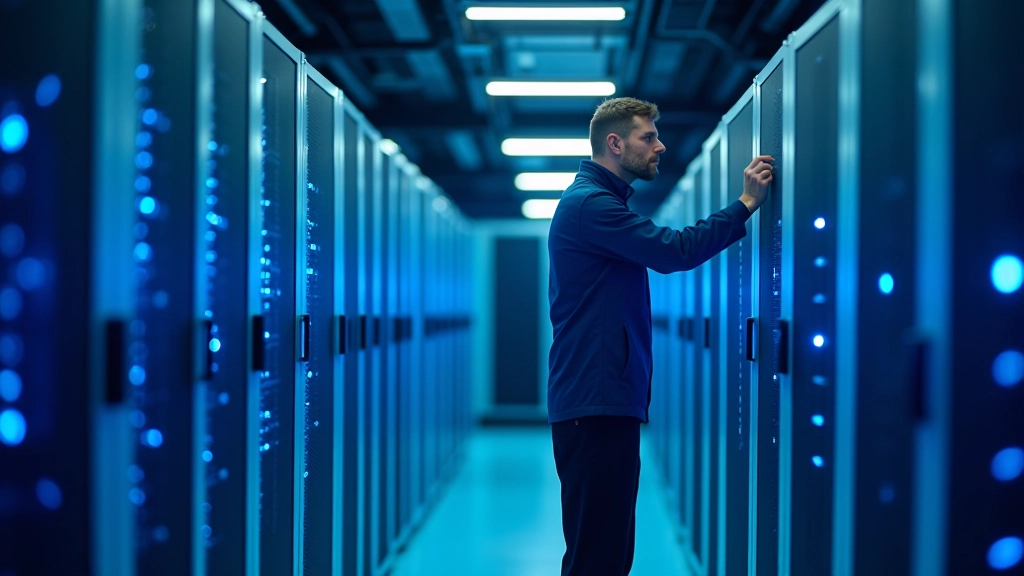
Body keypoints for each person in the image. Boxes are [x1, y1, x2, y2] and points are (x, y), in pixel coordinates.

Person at [546, 97, 773, 576]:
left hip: (600, 399)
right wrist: (746, 203)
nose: (659, 146)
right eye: (647, 137)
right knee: (598, 557)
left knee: (605, 551)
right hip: (597, 402)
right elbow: (675, 251)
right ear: (615, 143)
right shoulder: (591, 205)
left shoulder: (595, 202)